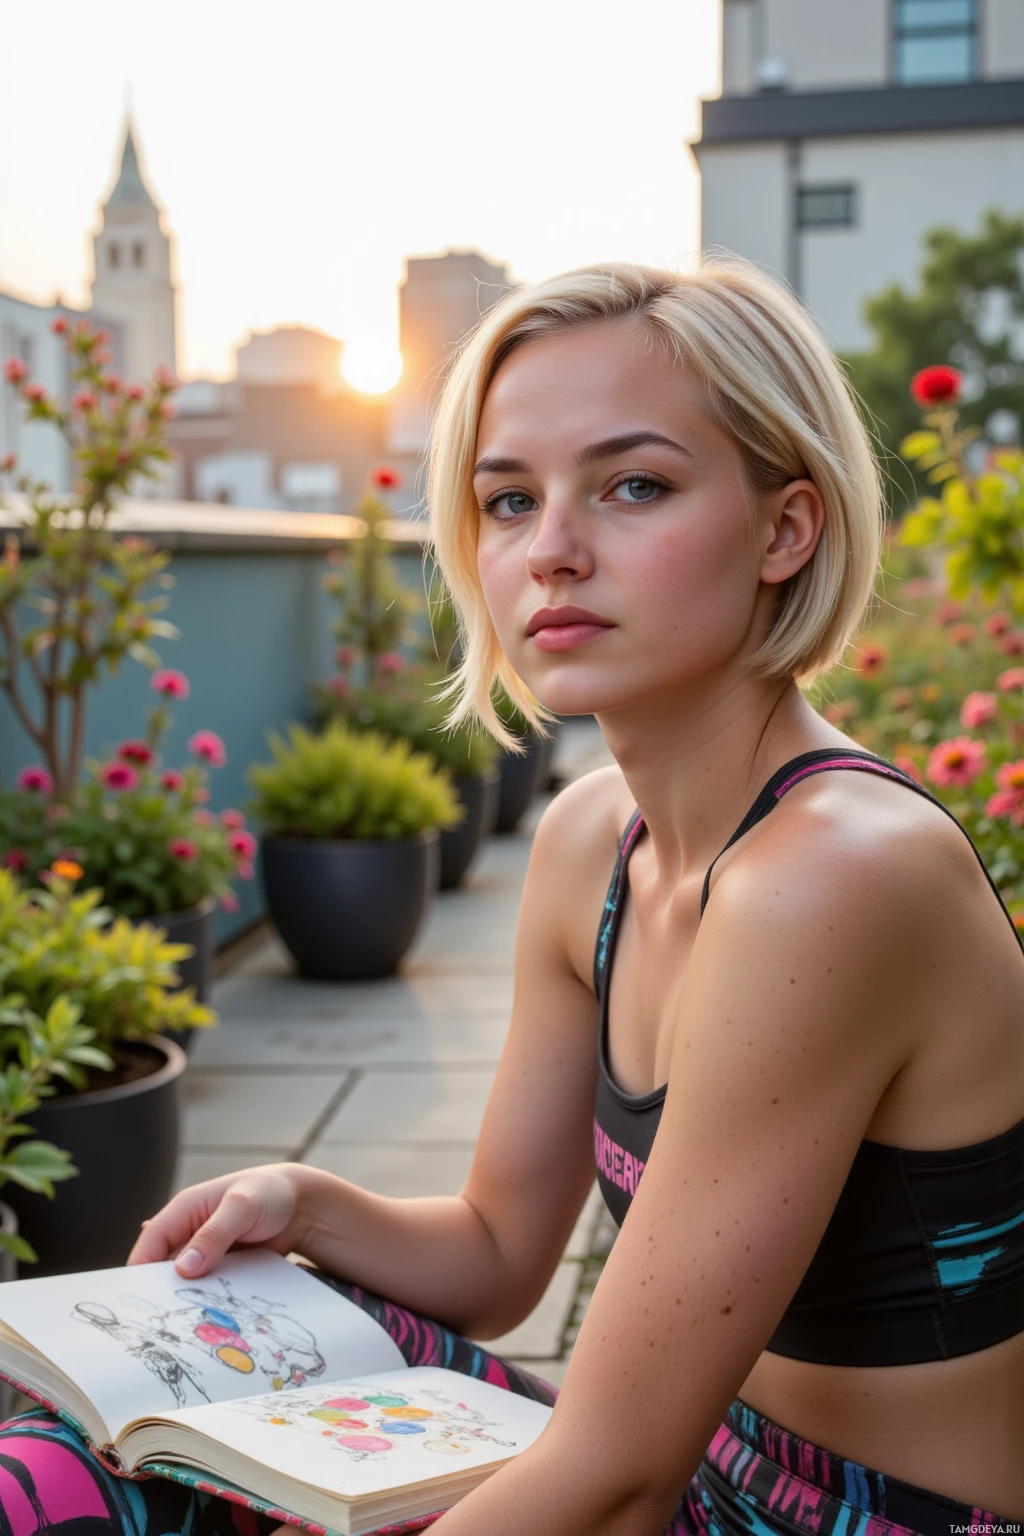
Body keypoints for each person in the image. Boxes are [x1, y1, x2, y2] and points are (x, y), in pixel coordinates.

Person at [1, 258, 1020, 1534]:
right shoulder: (594, 837)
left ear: (784, 528)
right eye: (506, 499)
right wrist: (304, 1202)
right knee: (82, 1442)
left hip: (855, 1516)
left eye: (634, 486)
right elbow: (491, 1255)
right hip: (692, 1473)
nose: (553, 550)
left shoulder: (833, 876)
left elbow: (610, 1483)